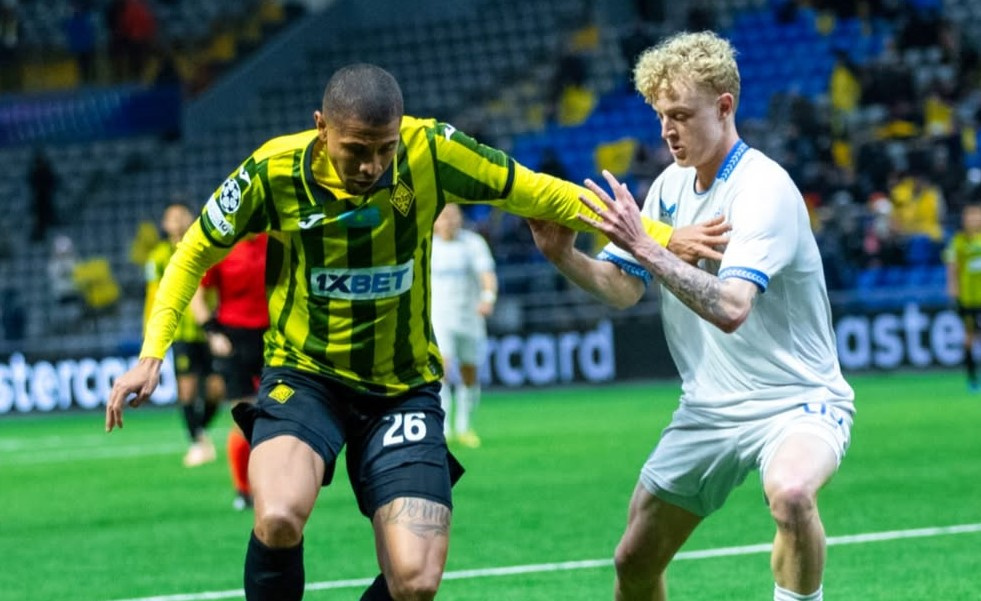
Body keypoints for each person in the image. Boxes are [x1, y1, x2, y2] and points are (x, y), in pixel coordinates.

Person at [107, 63, 728, 601]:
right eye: (356, 149)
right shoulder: (275, 170)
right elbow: (193, 251)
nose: (372, 165)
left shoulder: (431, 150)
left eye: (383, 148)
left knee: (416, 582)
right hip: (306, 375)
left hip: (402, 389)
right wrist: (151, 353)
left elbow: (539, 193)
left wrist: (659, 240)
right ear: (321, 127)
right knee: (277, 517)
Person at [528, 32, 854, 601]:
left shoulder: (763, 189)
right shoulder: (668, 187)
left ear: (724, 106)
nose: (666, 130)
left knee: (792, 494)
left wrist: (647, 246)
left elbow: (731, 307)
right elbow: (623, 289)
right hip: (708, 409)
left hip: (796, 399)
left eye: (680, 115)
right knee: (633, 561)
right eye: (660, 116)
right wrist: (565, 257)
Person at [190, 233, 270, 509]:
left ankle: (273, 485)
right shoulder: (223, 247)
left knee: (279, 414)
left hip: (272, 336)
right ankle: (243, 490)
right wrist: (211, 332)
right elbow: (197, 294)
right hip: (234, 340)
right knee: (244, 416)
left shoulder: (274, 240)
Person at [145, 202, 222, 467]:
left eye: (182, 215)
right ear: (165, 224)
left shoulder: (205, 248)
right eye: (172, 217)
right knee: (187, 390)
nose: (177, 221)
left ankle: (199, 431)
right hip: (180, 333)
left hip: (208, 330)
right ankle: (197, 442)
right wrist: (151, 334)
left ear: (192, 218)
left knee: (216, 390)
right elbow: (153, 296)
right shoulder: (157, 257)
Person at [431, 204, 496, 448]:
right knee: (443, 369)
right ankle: (444, 428)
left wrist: (488, 298)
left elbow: (487, 275)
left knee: (469, 372)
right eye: (444, 217)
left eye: (454, 216)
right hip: (440, 316)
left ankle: (464, 427)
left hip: (470, 317)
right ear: (435, 221)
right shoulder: (428, 245)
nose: (449, 222)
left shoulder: (473, 243)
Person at [944, 203, 981, 391]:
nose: (974, 220)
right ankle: (972, 378)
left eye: (977, 216)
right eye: (970, 217)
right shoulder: (958, 241)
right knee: (969, 337)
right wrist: (953, 289)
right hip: (968, 297)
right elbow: (952, 267)